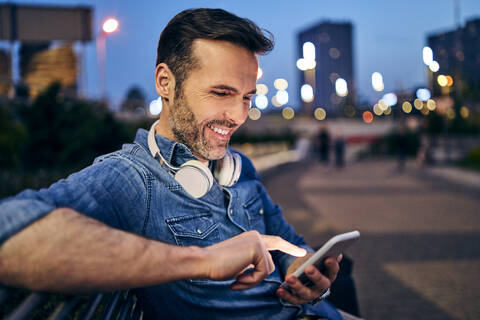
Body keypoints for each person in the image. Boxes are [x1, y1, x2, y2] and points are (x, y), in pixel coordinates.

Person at [0, 8, 351, 320]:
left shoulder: (239, 166)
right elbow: (7, 231)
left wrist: (303, 269)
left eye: (247, 98)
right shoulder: (132, 179)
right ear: (165, 83)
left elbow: (291, 244)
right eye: (221, 93)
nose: (238, 116)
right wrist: (205, 261)